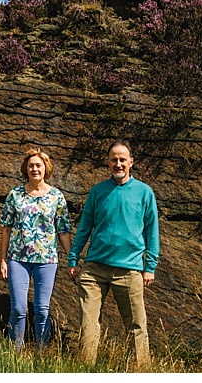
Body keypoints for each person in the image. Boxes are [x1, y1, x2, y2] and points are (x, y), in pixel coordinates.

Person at [68, 140, 160, 370]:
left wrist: (150, 267)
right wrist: (73, 258)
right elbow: (84, 227)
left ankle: (141, 371)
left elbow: (152, 231)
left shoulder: (144, 192)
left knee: (137, 325)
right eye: (113, 160)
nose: (118, 164)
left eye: (122, 159)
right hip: (94, 270)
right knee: (88, 324)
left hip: (129, 271)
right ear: (108, 162)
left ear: (131, 162)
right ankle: (85, 370)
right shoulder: (98, 191)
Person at [0, 147, 71, 348]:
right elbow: (6, 229)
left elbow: (63, 232)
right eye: (31, 165)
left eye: (38, 165)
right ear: (26, 168)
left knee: (41, 309)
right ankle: (15, 354)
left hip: (47, 260)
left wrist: (72, 259)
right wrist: (3, 259)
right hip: (17, 259)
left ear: (46, 168)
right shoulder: (15, 194)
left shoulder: (57, 196)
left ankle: (42, 352)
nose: (34, 169)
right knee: (19, 309)